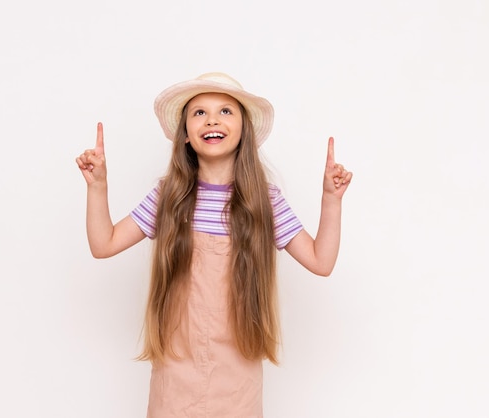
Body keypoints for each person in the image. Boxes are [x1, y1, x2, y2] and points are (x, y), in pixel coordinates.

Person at [75, 72, 352, 417]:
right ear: (187, 136)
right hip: (176, 366)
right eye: (199, 113)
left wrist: (331, 200)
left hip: (238, 370)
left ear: (243, 130)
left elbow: (320, 261)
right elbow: (104, 244)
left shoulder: (263, 202)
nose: (212, 120)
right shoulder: (170, 197)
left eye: (225, 111)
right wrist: (97, 186)